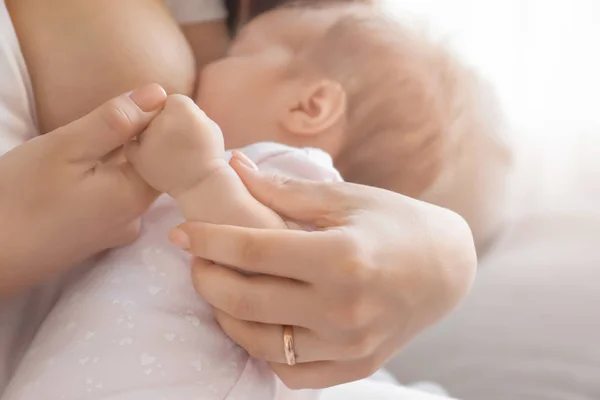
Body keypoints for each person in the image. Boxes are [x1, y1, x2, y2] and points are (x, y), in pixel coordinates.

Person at [0, 0, 480, 395]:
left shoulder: (284, 170)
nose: (205, 71)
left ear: (308, 106)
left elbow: (275, 265)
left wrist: (201, 177)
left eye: (234, 56)